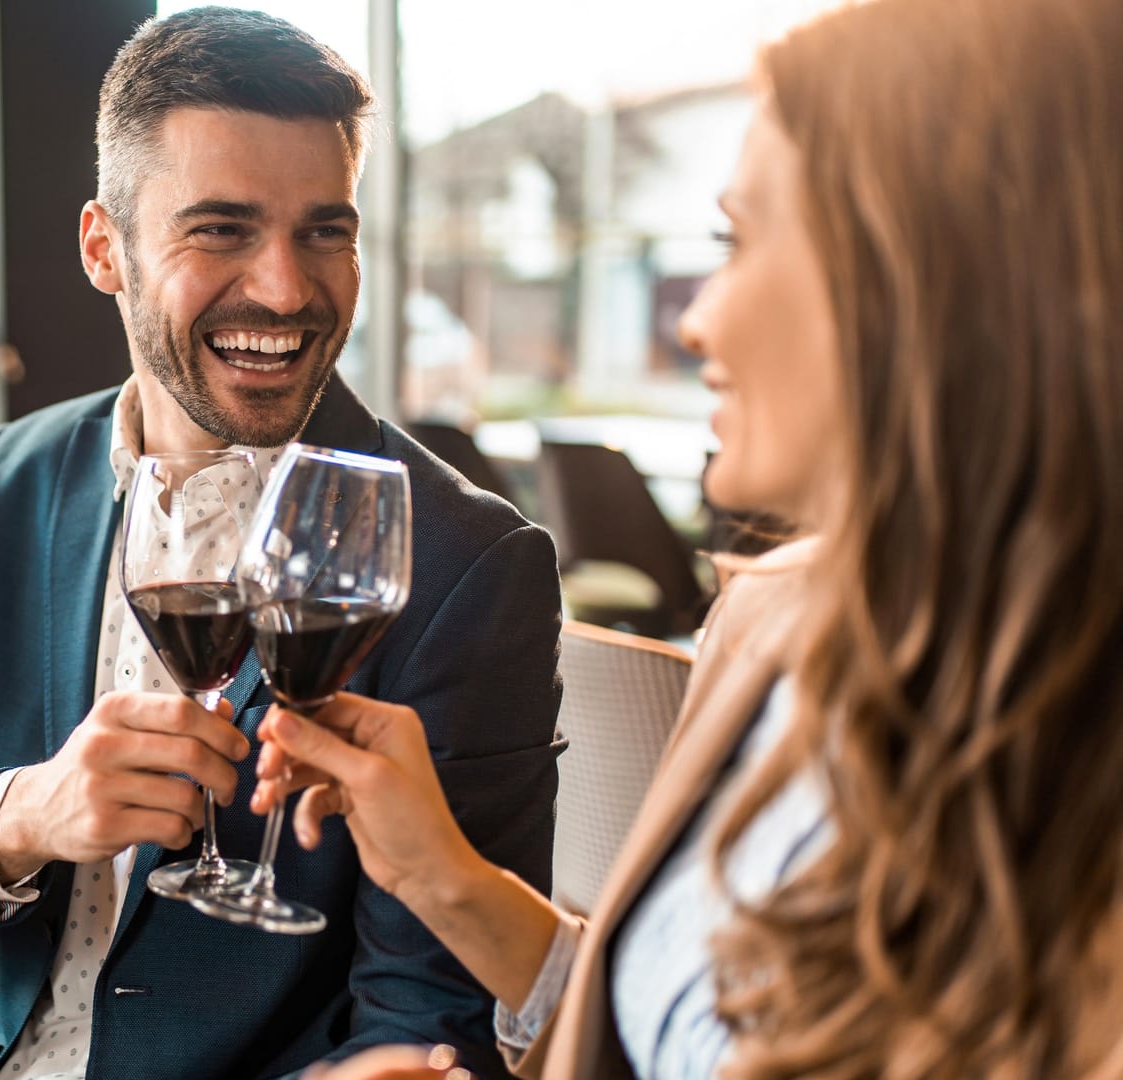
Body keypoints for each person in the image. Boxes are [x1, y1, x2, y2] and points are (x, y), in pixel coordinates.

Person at [253, 0, 1123, 1075]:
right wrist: (441, 874)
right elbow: (671, 1026)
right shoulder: (771, 628)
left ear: (940, 280)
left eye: (741, 242)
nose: (696, 319)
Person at [0, 8, 565, 1078]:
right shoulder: (17, 479)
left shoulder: (467, 566)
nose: (288, 290)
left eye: (324, 231)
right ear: (104, 249)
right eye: (221, 229)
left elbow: (431, 1023)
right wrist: (31, 808)